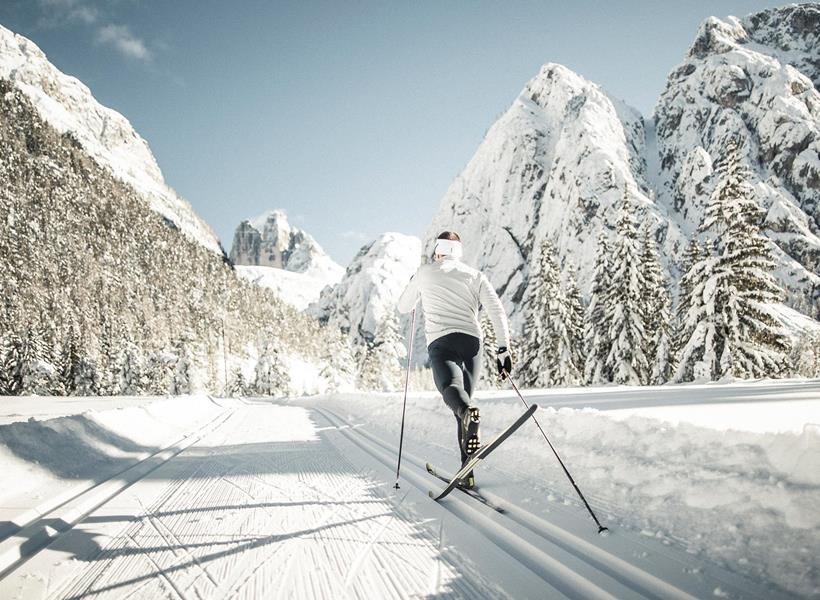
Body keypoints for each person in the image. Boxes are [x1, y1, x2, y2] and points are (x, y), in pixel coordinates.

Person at [397, 231, 513, 488]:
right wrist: (503, 349)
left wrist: (414, 283)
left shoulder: (425, 271)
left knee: (454, 393)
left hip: (442, 342)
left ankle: (467, 442)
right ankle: (467, 470)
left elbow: (404, 307)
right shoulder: (475, 275)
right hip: (472, 343)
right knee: (465, 406)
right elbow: (496, 310)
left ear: (438, 251)